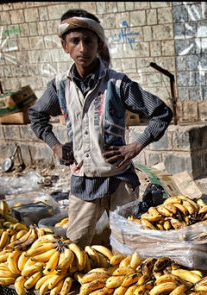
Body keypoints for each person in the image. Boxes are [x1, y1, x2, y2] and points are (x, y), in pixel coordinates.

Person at [28, 9, 173, 248]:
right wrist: (55, 146)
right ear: (65, 46)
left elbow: (161, 112)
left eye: (89, 41)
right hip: (83, 180)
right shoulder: (59, 86)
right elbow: (36, 114)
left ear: (99, 44)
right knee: (75, 243)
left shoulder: (118, 84)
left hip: (119, 180)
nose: (82, 48)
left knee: (127, 244)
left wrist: (135, 146)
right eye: (75, 41)